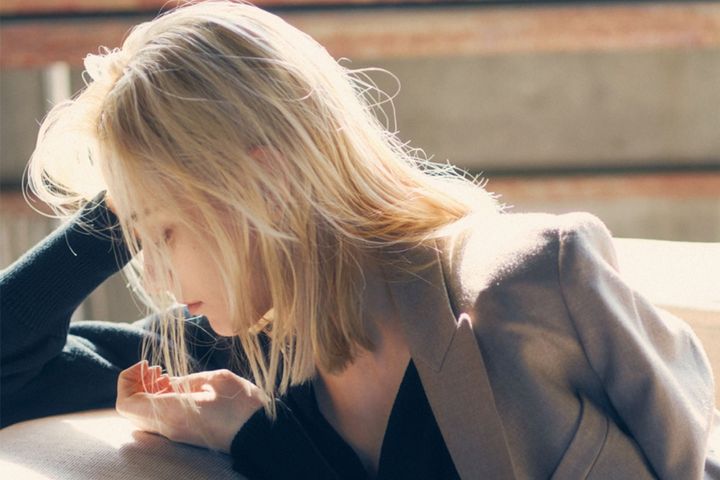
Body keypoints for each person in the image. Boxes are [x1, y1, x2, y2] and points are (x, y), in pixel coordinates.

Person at [1, 1, 718, 478]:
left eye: (162, 232)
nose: (153, 275)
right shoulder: (238, 350)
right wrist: (132, 189)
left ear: (263, 184)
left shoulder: (528, 282)